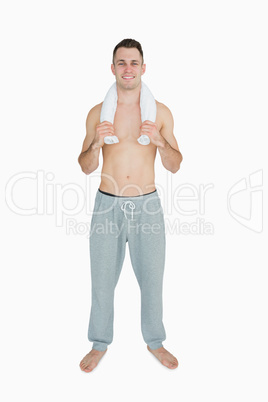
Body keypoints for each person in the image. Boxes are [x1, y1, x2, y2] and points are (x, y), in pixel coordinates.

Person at [78, 38, 183, 372]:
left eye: (133, 63)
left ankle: (155, 341)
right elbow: (85, 166)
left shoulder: (160, 113)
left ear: (143, 68)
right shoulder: (97, 113)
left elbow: (175, 164)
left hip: (147, 205)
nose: (127, 69)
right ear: (112, 68)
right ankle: (99, 343)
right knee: (102, 279)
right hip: (106, 204)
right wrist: (95, 142)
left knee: (152, 278)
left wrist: (159, 140)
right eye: (121, 63)